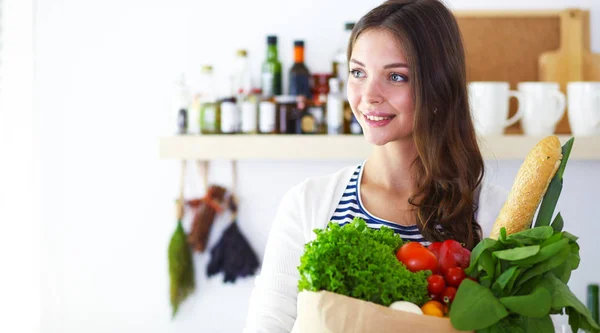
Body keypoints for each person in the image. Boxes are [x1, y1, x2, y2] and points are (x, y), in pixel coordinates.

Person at [243, 0, 508, 332]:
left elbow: (546, 326)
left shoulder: (496, 214)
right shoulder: (308, 203)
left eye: (396, 76)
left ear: (439, 87)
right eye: (358, 72)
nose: (368, 95)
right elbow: (268, 324)